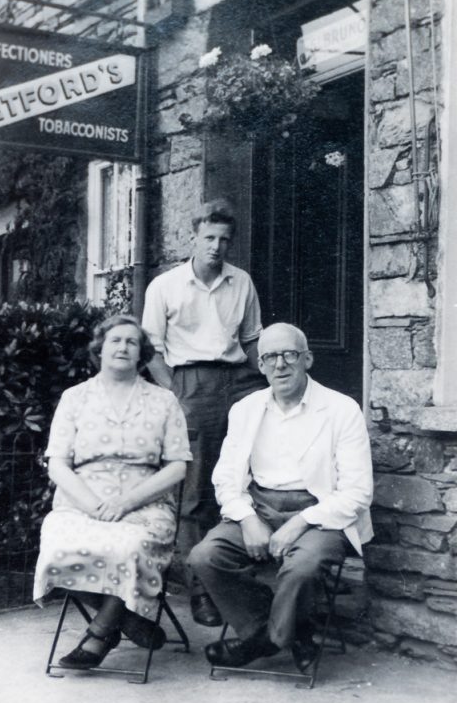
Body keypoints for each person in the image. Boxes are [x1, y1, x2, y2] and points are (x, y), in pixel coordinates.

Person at [189, 322, 373, 670]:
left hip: (321, 514)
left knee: (302, 567)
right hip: (259, 507)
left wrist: (300, 523)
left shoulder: (341, 409)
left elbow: (357, 491)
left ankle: (264, 642)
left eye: (289, 354)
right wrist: (247, 519)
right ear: (260, 365)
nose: (280, 364)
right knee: (205, 557)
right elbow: (226, 477)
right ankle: (286, 630)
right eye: (270, 356)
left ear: (307, 359)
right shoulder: (246, 409)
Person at [33, 315, 192, 669]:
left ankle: (100, 633)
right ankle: (129, 618)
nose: (123, 347)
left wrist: (126, 502)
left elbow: (178, 466)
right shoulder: (74, 398)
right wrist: (92, 504)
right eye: (115, 340)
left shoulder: (163, 400)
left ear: (141, 353)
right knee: (58, 547)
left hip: (145, 502)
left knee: (128, 547)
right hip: (82, 501)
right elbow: (57, 463)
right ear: (100, 349)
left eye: (131, 342)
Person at [142, 198, 266, 627]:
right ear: (193, 237)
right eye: (209, 237)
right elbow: (151, 351)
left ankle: (242, 581)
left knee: (250, 477)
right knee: (196, 492)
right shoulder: (165, 286)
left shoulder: (241, 282)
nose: (217, 246)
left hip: (241, 381)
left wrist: (270, 383)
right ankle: (202, 591)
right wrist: (176, 395)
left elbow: (251, 341)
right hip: (191, 385)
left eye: (224, 239)